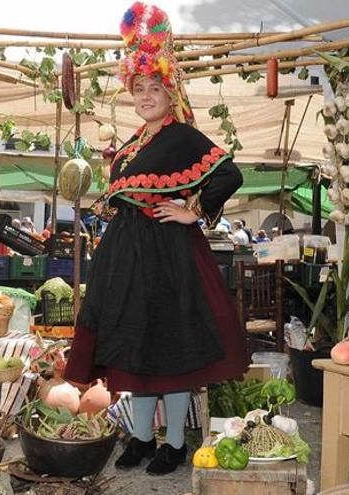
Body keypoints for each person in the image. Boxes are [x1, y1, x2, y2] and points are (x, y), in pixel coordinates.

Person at [65, 2, 247, 476]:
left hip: (168, 256)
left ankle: (172, 444)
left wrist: (195, 212)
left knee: (171, 345)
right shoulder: (127, 148)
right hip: (126, 257)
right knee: (135, 345)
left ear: (170, 91)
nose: (146, 96)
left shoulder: (183, 135)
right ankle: (141, 438)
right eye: (139, 88)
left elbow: (229, 174)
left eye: (154, 88)